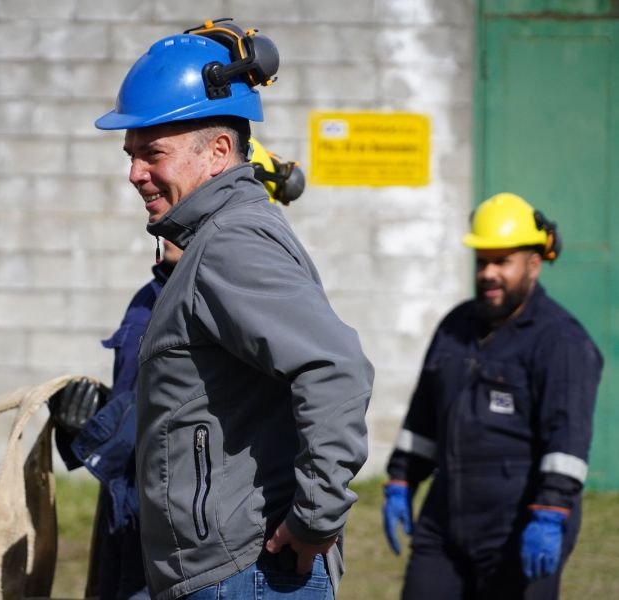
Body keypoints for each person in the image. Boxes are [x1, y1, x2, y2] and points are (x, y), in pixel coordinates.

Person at [93, 18, 374, 600]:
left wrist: (315, 517)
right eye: (130, 154)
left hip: (244, 574)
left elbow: (334, 368)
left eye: (153, 153)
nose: (135, 173)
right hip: (226, 571)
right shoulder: (218, 238)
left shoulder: (230, 243)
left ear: (218, 151)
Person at [49, 138, 307, 600]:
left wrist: (98, 429)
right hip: (132, 522)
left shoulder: (247, 295)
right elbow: (161, 407)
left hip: (203, 542)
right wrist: (84, 422)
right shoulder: (151, 297)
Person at [381, 192, 602, 599]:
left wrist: (551, 513)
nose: (488, 274)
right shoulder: (455, 326)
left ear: (533, 265)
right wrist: (401, 479)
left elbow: (567, 440)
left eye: (503, 262)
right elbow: (423, 418)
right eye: (483, 261)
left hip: (521, 523)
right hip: (446, 520)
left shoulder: (562, 342)